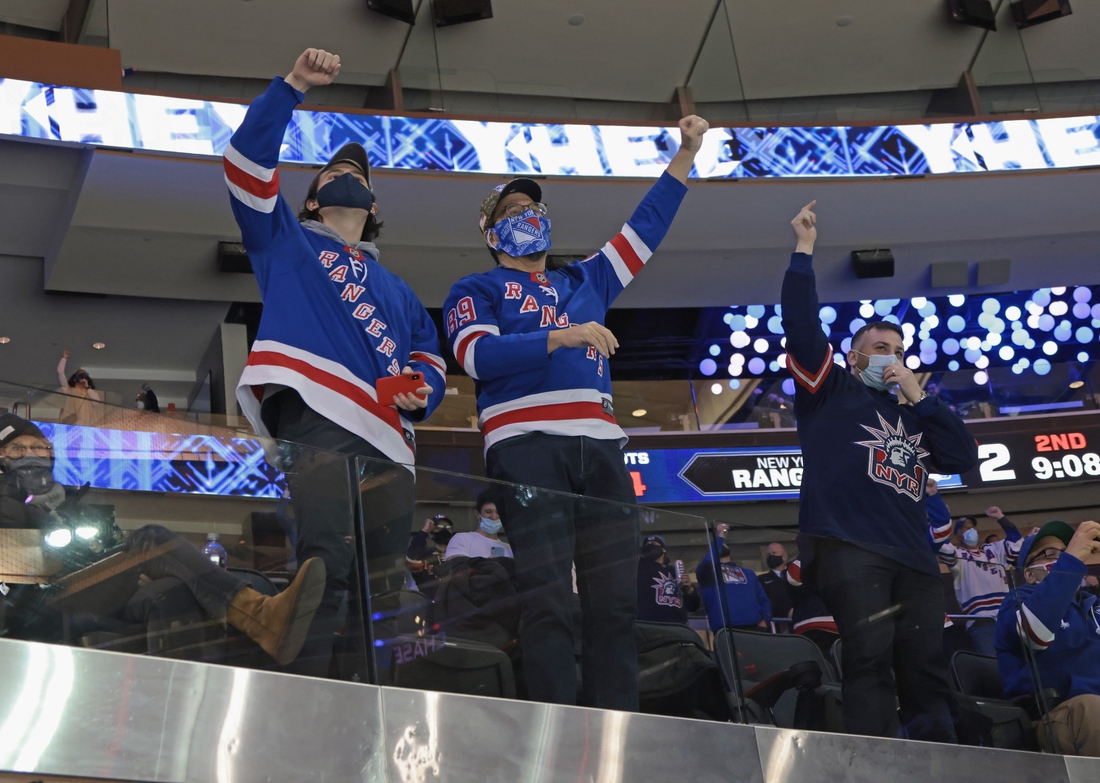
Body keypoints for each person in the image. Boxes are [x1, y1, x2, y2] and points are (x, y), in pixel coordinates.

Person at [441, 113, 708, 711]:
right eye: (511, 212)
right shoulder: (474, 290)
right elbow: (477, 356)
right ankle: (556, 729)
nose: (526, 217)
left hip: (603, 446)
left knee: (615, 603)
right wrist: (561, 338)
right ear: (490, 234)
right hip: (526, 444)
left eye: (532, 208)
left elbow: (646, 227)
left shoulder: (586, 278)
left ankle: (620, 733)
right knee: (549, 597)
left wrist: (686, 154)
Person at [223, 48, 446, 675]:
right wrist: (291, 85)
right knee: (327, 569)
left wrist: (420, 390)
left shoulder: (400, 290)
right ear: (312, 202)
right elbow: (244, 166)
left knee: (384, 591)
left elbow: (429, 354)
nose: (348, 175)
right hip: (317, 415)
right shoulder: (284, 243)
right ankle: (310, 723)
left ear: (374, 209)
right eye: (331, 172)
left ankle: (367, 727)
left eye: (362, 177)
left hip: (391, 442)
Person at [781, 201, 980, 742]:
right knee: (868, 659)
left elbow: (963, 460)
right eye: (877, 348)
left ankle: (937, 769)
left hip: (914, 558)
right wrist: (803, 252)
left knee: (927, 670)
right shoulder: (831, 390)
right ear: (852, 357)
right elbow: (800, 325)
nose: (888, 355)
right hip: (847, 544)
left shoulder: (913, 410)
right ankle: (875, 767)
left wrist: (920, 395)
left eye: (896, 349)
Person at [0, 413, 326, 664]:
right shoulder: (12, 509)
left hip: (95, 590)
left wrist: (121, 562)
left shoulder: (72, 507)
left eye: (39, 447)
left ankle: (175, 708)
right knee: (154, 540)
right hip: (47, 601)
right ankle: (261, 617)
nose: (32, 456)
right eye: (18, 449)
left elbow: (93, 551)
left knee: (172, 590)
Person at [995, 520, 1100, 757]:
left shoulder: (1094, 606)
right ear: (1030, 574)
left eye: (1066, 551)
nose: (1063, 558)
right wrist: (1071, 560)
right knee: (1092, 709)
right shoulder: (1018, 600)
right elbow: (1036, 635)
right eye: (1052, 554)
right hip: (1056, 715)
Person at [928, 491, 1022, 657]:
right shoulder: (958, 557)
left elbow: (1017, 545)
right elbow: (939, 543)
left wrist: (1001, 518)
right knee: (992, 666)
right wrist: (942, 518)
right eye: (965, 528)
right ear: (958, 534)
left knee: (1019, 662)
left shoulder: (993, 550)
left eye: (972, 527)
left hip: (1008, 618)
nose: (971, 531)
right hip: (981, 622)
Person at [696, 524, 771, 632]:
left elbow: (763, 599)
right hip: (727, 630)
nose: (722, 544)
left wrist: (765, 620)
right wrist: (719, 537)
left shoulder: (748, 573)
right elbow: (708, 561)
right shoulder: (708, 572)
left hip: (756, 627)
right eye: (716, 545)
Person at [636, 534, 700, 625]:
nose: (650, 545)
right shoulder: (640, 568)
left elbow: (693, 607)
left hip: (678, 626)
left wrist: (689, 589)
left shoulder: (675, 571)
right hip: (650, 626)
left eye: (653, 543)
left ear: (664, 549)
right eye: (647, 545)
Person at [783, 559, 840, 658]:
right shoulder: (836, 562)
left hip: (807, 623)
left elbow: (794, 578)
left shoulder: (798, 564)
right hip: (835, 623)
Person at [445, 492, 513, 560]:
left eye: (499, 512)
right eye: (488, 512)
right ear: (478, 514)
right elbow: (457, 567)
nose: (494, 517)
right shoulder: (462, 539)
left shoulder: (510, 549)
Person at [56, 351, 106, 426]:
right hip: (71, 425)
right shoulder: (68, 390)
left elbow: (96, 401)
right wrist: (64, 358)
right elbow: (60, 372)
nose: (82, 377)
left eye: (85, 376)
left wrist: (88, 388)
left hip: (87, 426)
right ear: (75, 379)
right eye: (80, 375)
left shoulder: (89, 393)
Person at [757, 542, 794, 627]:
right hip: (777, 625)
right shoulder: (761, 579)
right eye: (768, 554)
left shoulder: (794, 576)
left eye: (774, 553)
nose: (770, 556)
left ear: (784, 557)